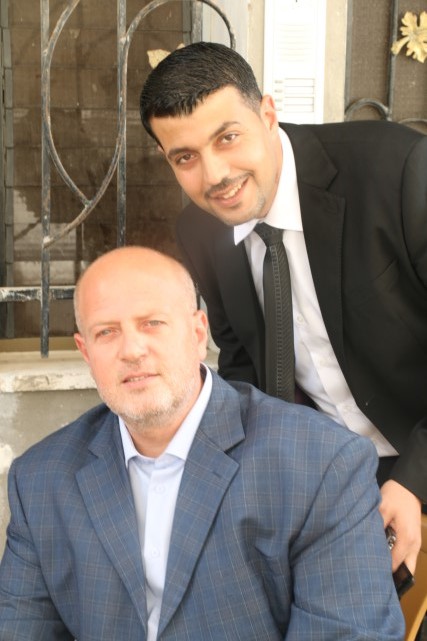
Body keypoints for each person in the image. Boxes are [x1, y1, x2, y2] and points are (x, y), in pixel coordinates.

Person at [0, 246, 404, 640]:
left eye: (152, 323)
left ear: (198, 334)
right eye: (107, 332)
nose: (132, 350)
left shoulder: (321, 464)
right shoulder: (39, 480)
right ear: (86, 353)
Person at [139, 41, 427, 577]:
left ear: (267, 114)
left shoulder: (400, 169)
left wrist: (414, 481)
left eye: (227, 138)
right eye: (186, 157)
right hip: (326, 478)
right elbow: (243, 362)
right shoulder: (199, 231)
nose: (215, 175)